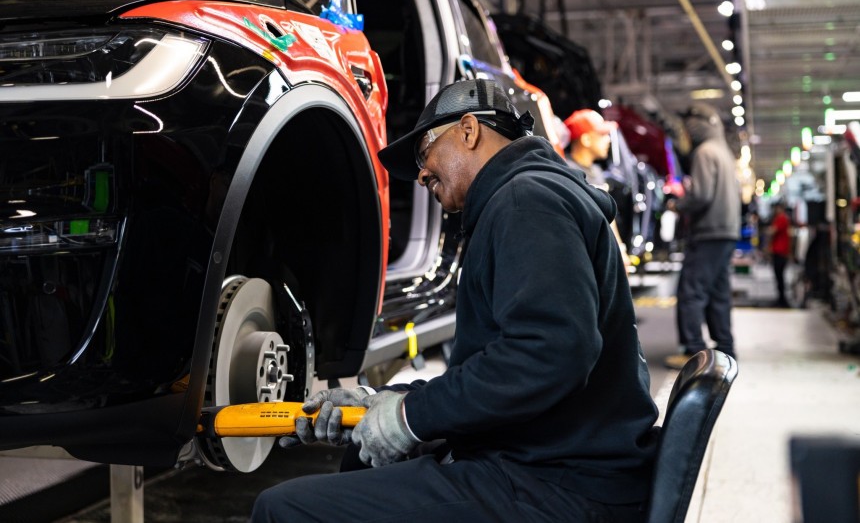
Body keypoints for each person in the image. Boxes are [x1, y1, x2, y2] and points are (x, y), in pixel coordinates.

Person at [251, 79, 659, 522]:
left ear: (469, 130)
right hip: (550, 459)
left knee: (282, 509)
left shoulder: (526, 203)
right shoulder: (525, 198)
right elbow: (499, 364)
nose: (422, 173)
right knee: (361, 458)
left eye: (424, 153)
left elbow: (550, 353)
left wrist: (408, 418)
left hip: (560, 484)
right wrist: (382, 400)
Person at [664, 102, 741, 370]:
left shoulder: (705, 152)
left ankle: (693, 353)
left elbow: (701, 195)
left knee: (691, 292)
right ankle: (726, 349)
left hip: (708, 232)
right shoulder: (723, 152)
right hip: (726, 231)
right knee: (719, 293)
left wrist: (677, 205)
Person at [564, 108, 632, 271]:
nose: (608, 140)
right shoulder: (566, 171)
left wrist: (620, 249)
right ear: (586, 139)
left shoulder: (596, 172)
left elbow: (608, 215)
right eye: (602, 135)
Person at [768, 201, 791, 308]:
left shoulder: (781, 218)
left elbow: (772, 231)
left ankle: (782, 300)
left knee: (780, 277)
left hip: (780, 252)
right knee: (779, 277)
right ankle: (781, 299)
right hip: (779, 251)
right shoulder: (782, 218)